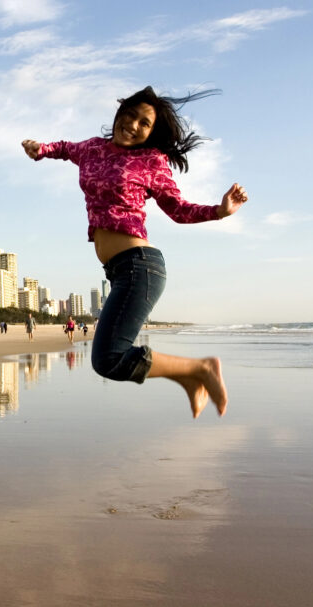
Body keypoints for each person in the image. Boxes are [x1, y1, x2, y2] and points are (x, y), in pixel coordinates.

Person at [22, 85, 248, 418]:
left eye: (144, 123)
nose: (133, 125)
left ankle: (201, 370)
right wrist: (40, 149)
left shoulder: (150, 161)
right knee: (109, 358)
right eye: (130, 115)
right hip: (120, 270)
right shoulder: (93, 148)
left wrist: (218, 211)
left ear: (151, 133)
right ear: (119, 113)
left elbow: (178, 209)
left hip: (140, 267)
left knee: (109, 359)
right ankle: (191, 377)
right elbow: (66, 149)